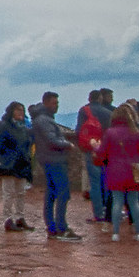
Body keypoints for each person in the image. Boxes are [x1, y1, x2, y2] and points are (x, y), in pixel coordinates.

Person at [30, 94, 81, 240]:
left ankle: (53, 227)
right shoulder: (44, 120)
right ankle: (60, 227)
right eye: (54, 103)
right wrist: (68, 144)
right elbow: (52, 140)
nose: (57, 106)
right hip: (55, 160)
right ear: (46, 103)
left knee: (51, 193)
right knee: (62, 193)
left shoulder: (42, 119)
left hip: (48, 160)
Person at [101, 104, 139, 242]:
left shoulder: (110, 132)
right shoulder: (135, 132)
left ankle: (116, 233)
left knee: (117, 202)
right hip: (133, 170)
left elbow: (102, 151)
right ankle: (138, 232)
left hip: (115, 170)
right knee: (134, 202)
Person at [0, 102, 34, 231]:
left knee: (21, 193)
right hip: (8, 165)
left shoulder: (23, 127)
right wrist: (9, 156)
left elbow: (27, 143)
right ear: (11, 111)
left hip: (21, 164)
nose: (21, 112)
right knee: (9, 193)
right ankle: (8, 219)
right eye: (18, 110)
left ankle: (20, 217)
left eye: (22, 110)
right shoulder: (4, 126)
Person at [75, 90, 114, 224]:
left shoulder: (84, 111)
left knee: (95, 183)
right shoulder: (108, 113)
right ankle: (108, 211)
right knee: (106, 181)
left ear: (89, 98)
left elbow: (78, 131)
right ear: (100, 98)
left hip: (90, 150)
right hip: (105, 150)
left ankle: (98, 213)